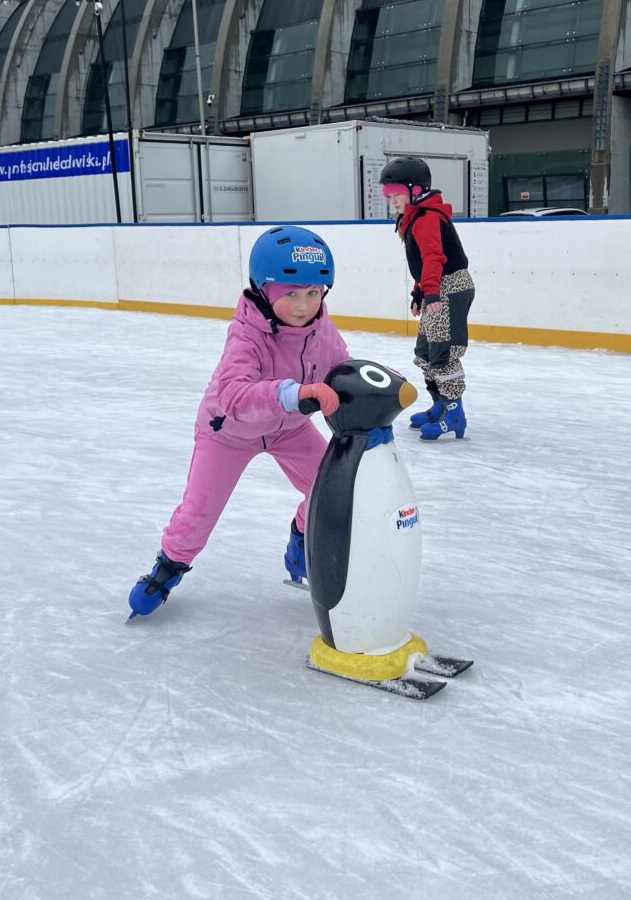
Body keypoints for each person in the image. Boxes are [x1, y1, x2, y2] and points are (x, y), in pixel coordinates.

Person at [127, 225, 348, 617]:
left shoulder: (320, 330)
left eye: (314, 293)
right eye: (291, 294)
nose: (303, 306)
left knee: (331, 486)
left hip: (288, 428)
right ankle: (168, 567)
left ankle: (302, 534)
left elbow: (340, 368)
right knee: (198, 513)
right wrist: (294, 394)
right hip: (228, 432)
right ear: (264, 290)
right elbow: (232, 395)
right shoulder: (247, 335)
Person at [380, 156, 475, 440]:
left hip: (449, 289)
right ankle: (440, 406)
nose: (392, 199)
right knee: (426, 353)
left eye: (396, 191)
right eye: (387, 193)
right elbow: (423, 263)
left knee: (443, 354)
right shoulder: (415, 216)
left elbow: (435, 257)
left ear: (415, 189)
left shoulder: (427, 217)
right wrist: (419, 291)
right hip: (436, 289)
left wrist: (431, 292)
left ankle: (454, 414)